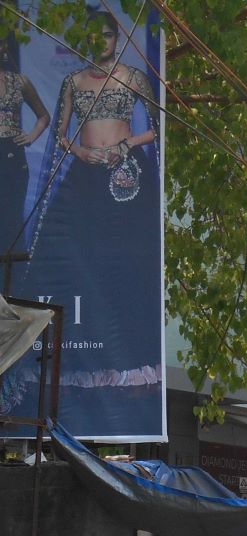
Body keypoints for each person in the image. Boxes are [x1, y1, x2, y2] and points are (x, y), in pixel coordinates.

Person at [18, 8, 161, 432]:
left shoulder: (133, 78)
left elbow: (155, 127)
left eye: (107, 35)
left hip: (123, 175)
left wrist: (125, 146)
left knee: (124, 261)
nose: (102, 42)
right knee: (71, 254)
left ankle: (130, 368)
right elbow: (60, 133)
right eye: (94, 36)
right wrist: (80, 152)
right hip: (84, 173)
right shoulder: (73, 82)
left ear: (116, 37)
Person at [0, 36, 49, 256]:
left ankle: (11, 277)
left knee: (12, 216)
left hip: (12, 153)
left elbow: (43, 116)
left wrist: (30, 137)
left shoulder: (19, 81)